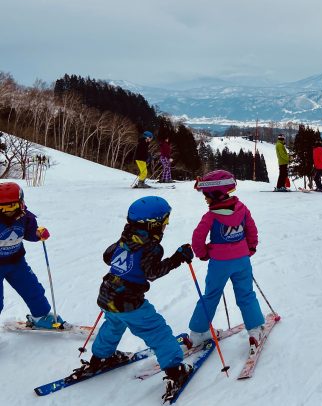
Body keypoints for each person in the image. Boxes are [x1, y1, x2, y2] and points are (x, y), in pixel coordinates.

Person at [84, 196, 194, 399]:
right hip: (130, 302)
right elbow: (153, 272)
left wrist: (126, 251)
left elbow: (107, 256)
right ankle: (174, 371)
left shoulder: (125, 238)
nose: (165, 226)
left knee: (112, 326)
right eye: (164, 222)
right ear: (153, 225)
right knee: (157, 331)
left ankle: (99, 358)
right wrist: (177, 258)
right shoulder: (151, 247)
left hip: (107, 296)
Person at [189, 170, 266, 355]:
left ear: (215, 194)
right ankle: (255, 330)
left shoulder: (211, 216)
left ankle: (198, 332)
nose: (205, 199)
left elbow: (197, 239)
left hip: (219, 263)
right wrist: (251, 247)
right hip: (242, 260)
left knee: (211, 295)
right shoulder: (242, 209)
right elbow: (251, 230)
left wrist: (203, 253)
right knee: (246, 294)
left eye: (206, 195)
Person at [0, 182, 65, 328]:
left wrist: (37, 233)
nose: (8, 212)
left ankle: (40, 316)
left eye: (12, 206)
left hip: (17, 263)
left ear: (21, 203)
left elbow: (29, 232)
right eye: (2, 208)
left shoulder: (25, 217)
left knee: (33, 289)